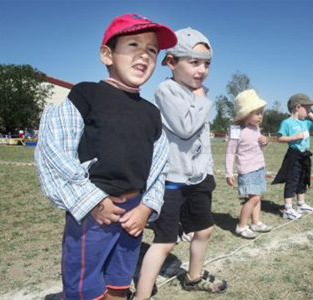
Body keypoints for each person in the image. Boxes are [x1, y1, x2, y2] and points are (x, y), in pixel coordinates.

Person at [34, 13, 177, 300]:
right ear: (107, 54)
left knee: (119, 283)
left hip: (134, 213)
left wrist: (147, 207)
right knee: (85, 288)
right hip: (93, 212)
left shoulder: (152, 113)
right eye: (134, 44)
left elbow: (159, 167)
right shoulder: (86, 94)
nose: (144, 55)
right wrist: (92, 202)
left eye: (152, 49)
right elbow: (54, 152)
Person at [134, 27, 227, 299]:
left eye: (207, 64)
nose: (202, 70)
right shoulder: (167, 90)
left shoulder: (197, 93)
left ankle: (194, 277)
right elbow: (185, 127)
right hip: (172, 180)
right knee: (165, 241)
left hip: (198, 178)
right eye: (194, 62)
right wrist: (202, 100)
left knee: (205, 229)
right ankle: (142, 294)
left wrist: (207, 171)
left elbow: (201, 140)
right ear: (171, 62)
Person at [225, 89, 273, 239]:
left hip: (259, 167)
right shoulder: (236, 130)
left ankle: (256, 222)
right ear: (247, 114)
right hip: (247, 170)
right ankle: (241, 226)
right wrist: (228, 172)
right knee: (253, 199)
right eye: (257, 113)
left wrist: (264, 140)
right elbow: (230, 152)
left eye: (261, 112)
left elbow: (258, 140)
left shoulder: (256, 127)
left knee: (258, 196)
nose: (261, 116)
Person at [272, 93, 313, 220]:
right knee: (292, 180)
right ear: (297, 107)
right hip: (293, 155)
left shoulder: (305, 122)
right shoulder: (287, 123)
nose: (309, 110)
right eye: (307, 108)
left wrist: (309, 112)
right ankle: (288, 209)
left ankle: (300, 204)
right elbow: (280, 138)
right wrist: (294, 137)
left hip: (305, 155)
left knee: (303, 178)